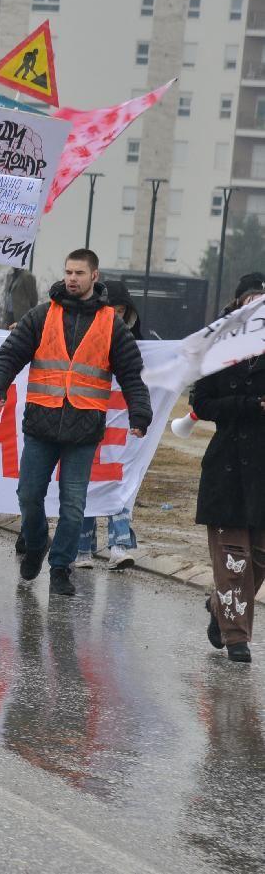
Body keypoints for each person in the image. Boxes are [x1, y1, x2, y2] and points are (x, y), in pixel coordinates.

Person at [0, 249, 152, 598]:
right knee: (28, 495)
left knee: (73, 507)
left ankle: (61, 567)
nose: (72, 278)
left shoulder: (111, 324)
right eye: (68, 272)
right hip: (41, 424)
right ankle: (36, 544)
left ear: (95, 276)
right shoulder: (42, 315)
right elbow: (10, 354)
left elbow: (132, 375)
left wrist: (140, 413)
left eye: (79, 273)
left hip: (84, 429)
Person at [195, 275, 264, 663]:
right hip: (227, 468)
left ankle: (218, 604)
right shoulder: (218, 345)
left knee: (259, 559)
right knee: (233, 559)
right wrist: (251, 405)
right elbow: (202, 403)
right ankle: (237, 638)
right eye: (251, 299)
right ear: (238, 304)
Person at [74, 278, 144, 570]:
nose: (116, 316)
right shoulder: (81, 335)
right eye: (110, 310)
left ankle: (119, 545)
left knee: (120, 481)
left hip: (123, 424)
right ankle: (82, 548)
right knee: (87, 482)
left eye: (121, 311)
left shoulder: (139, 346)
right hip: (87, 418)